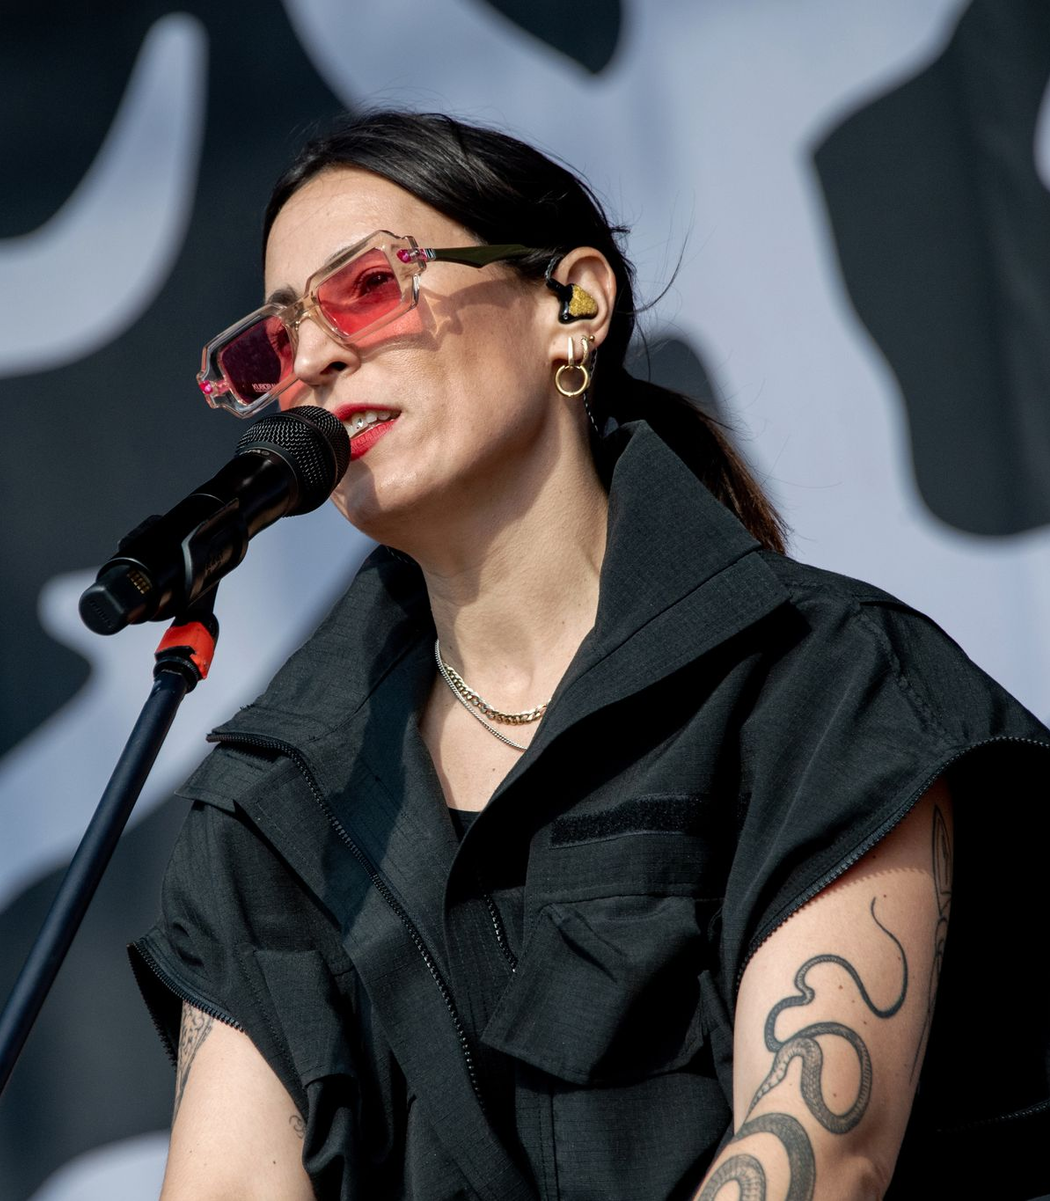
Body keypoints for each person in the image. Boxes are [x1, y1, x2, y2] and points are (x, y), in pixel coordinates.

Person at [131, 111, 1050, 1200]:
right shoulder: (267, 813)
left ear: (573, 302)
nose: (316, 357)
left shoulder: (824, 685)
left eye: (368, 287)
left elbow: (818, 1157)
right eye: (274, 346)